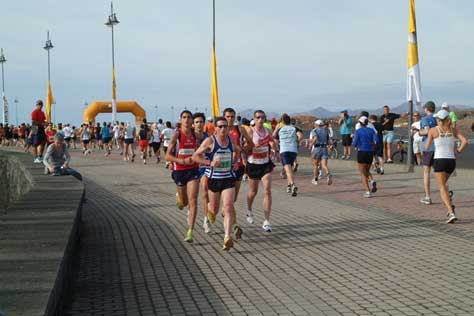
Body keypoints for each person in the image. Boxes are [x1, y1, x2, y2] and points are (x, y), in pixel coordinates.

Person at [193, 116, 241, 250]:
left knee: (228, 206)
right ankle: (209, 214)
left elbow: (237, 150)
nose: (223, 129)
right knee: (214, 208)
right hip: (214, 179)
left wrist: (235, 162)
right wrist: (210, 163)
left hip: (228, 178)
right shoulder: (210, 141)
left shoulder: (231, 140)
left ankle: (227, 237)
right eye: (220, 126)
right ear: (215, 128)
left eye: (225, 126)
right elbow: (195, 156)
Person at [425, 109, 467, 223]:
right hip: (451, 162)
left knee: (442, 187)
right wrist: (458, 151)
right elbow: (465, 141)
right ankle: (450, 204)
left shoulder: (433, 130)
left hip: (439, 160)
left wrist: (424, 134)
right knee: (444, 186)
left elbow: (427, 147)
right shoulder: (453, 130)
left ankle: (451, 213)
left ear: (438, 119)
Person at [165, 110, 200, 243]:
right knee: (184, 202)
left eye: (188, 117)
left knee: (193, 201)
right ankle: (179, 198)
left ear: (192, 121)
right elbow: (167, 156)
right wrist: (180, 161)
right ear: (181, 120)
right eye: (184, 117)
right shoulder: (177, 135)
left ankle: (190, 231)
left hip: (193, 170)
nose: (186, 120)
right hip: (179, 170)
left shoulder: (196, 135)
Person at [222, 108, 253, 238]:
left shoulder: (239, 130)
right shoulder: (219, 129)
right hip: (223, 168)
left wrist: (242, 150)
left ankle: (230, 220)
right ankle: (232, 227)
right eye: (228, 116)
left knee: (233, 199)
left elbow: (251, 143)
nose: (230, 119)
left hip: (238, 166)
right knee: (227, 202)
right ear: (224, 117)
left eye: (232, 116)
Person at [246, 110, 278, 232]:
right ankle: (249, 210)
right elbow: (245, 147)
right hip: (253, 164)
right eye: (258, 117)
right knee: (253, 191)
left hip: (266, 164)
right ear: (254, 119)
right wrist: (254, 145)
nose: (260, 120)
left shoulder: (267, 131)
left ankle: (267, 221)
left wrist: (274, 146)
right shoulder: (250, 131)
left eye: (262, 117)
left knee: (267, 191)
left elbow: (271, 142)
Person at [273, 114, 303, 195]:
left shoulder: (280, 129)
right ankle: (289, 186)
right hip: (293, 150)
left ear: (282, 121)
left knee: (288, 169)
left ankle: (293, 184)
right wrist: (296, 142)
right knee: (289, 168)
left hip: (284, 150)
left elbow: (274, 138)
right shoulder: (294, 128)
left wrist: (276, 129)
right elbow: (300, 136)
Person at [352, 116, 378, 197]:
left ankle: (367, 191)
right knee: (367, 170)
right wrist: (372, 145)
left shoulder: (358, 131)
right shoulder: (371, 130)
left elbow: (354, 143)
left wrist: (353, 139)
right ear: (367, 123)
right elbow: (377, 140)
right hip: (370, 152)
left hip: (362, 151)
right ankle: (372, 181)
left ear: (360, 123)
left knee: (362, 173)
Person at [418, 101, 437, 205]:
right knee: (440, 172)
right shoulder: (438, 119)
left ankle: (427, 196)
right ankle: (447, 193)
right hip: (438, 147)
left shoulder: (425, 119)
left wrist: (419, 132)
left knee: (426, 172)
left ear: (426, 109)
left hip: (428, 147)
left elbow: (427, 131)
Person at [308, 120, 333, 186]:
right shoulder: (326, 131)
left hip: (317, 148)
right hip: (324, 148)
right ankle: (328, 174)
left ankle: (315, 179)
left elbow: (315, 138)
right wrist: (330, 146)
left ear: (316, 124)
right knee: (324, 164)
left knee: (315, 165)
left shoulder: (314, 131)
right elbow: (330, 141)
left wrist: (311, 144)